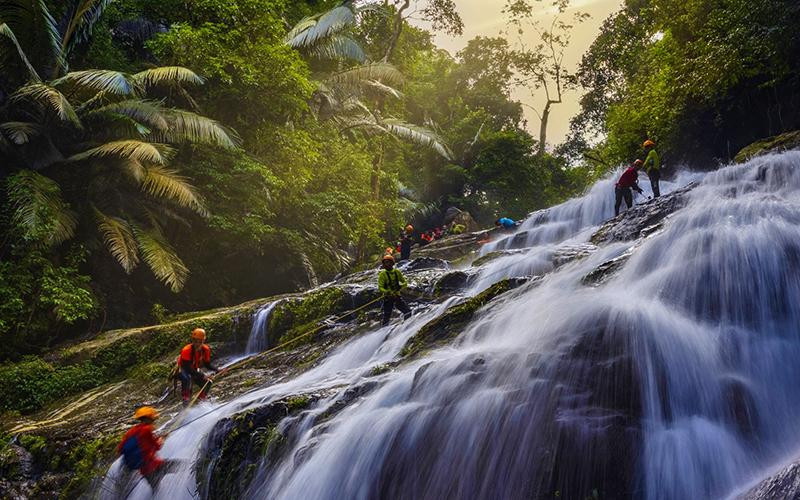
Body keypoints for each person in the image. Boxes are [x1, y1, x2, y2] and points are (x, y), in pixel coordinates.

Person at [117, 406, 181, 492]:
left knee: (157, 491)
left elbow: (120, 449)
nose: (154, 420)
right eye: (153, 418)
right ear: (149, 418)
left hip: (145, 472)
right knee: (183, 466)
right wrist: (162, 439)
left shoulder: (131, 431)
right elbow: (157, 446)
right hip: (155, 466)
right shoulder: (146, 429)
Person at [176, 328, 219, 406]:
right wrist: (202, 375)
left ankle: (201, 400)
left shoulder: (205, 350)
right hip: (183, 369)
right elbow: (188, 368)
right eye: (195, 341)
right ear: (193, 340)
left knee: (208, 383)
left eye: (200, 341)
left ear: (203, 341)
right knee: (187, 379)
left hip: (194, 369)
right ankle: (186, 399)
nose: (197, 344)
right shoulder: (186, 350)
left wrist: (217, 370)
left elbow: (207, 364)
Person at [378, 254, 412, 326]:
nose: (387, 264)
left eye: (388, 262)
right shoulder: (382, 274)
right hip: (388, 298)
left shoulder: (397, 272)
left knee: (408, 311)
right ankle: (384, 330)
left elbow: (405, 282)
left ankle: (405, 326)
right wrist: (387, 292)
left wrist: (401, 286)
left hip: (397, 296)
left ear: (392, 263)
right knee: (386, 317)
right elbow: (380, 287)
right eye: (385, 263)